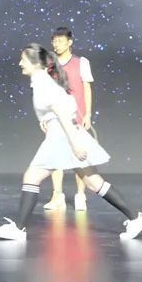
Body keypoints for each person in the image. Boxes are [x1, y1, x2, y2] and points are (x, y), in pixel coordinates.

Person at [0, 43, 142, 241]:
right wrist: (46, 119)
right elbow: (60, 107)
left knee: (32, 176)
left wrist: (74, 143)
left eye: (23, 60)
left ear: (35, 63)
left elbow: (62, 113)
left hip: (63, 135)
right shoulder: (43, 82)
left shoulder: (43, 83)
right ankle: (136, 218)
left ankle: (19, 228)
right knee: (93, 182)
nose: (19, 63)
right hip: (65, 132)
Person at [43, 27, 94, 212]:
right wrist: (45, 115)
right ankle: (58, 196)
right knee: (56, 156)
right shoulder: (49, 64)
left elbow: (87, 88)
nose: (56, 44)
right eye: (54, 41)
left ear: (69, 42)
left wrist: (88, 114)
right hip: (55, 116)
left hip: (76, 116)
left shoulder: (81, 63)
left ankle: (80, 195)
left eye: (60, 41)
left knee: (79, 156)